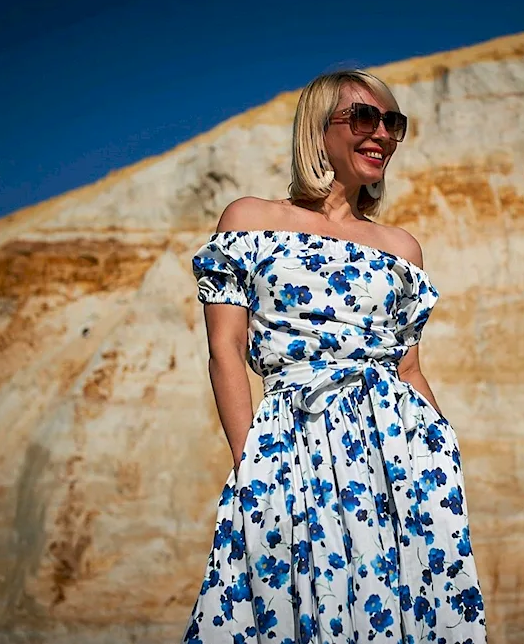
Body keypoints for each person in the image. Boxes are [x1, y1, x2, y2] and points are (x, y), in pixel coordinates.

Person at [182, 69, 486, 643]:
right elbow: (224, 352)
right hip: (292, 446)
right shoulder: (250, 220)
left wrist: (445, 454)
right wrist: (253, 465)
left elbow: (409, 369)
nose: (382, 135)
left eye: (393, 123)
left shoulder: (401, 247)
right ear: (317, 130)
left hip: (400, 456)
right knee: (279, 608)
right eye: (364, 118)